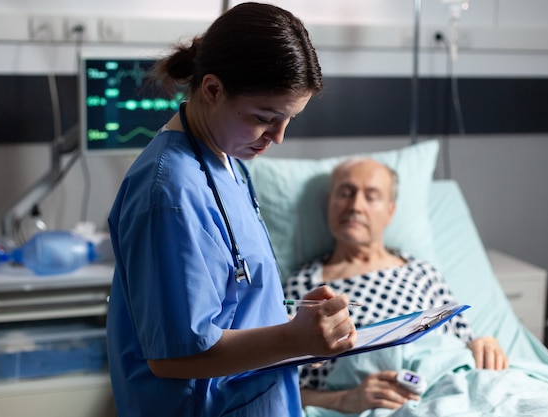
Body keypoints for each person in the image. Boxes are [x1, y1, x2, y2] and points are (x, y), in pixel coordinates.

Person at [105, 3, 358, 416]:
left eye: (289, 119)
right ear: (212, 89)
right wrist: (294, 340)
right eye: (264, 118)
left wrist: (300, 329)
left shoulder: (228, 159)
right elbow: (172, 357)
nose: (277, 138)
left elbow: (234, 303)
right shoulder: (169, 193)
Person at [284, 157, 509, 414]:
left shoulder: (421, 272)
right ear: (329, 204)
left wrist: (484, 344)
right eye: (345, 193)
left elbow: (464, 342)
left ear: (390, 211)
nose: (356, 206)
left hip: (451, 386)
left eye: (371, 196)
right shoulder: (304, 285)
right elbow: (286, 385)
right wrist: (346, 399)